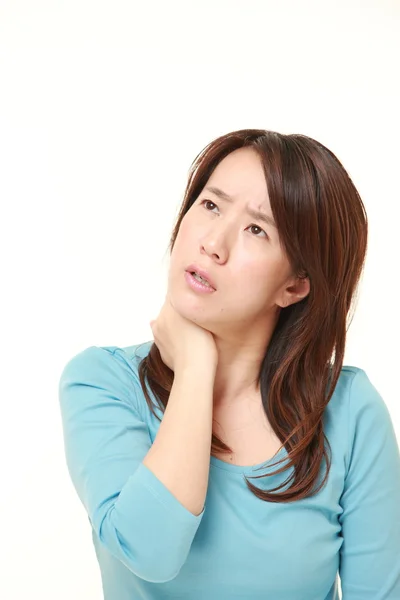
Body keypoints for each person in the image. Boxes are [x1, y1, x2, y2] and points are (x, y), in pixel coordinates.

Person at [58, 128, 400, 599]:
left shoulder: (349, 412)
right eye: (211, 205)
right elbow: (148, 550)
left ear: (296, 285)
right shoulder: (102, 382)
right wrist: (197, 367)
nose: (213, 243)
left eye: (257, 229)